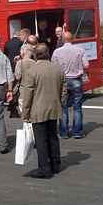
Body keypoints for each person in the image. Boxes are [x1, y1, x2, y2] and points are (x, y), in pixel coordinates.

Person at [21, 43, 66, 178]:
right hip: (54, 107)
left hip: (38, 109)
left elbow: (28, 94)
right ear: (48, 53)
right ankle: (55, 165)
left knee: (41, 140)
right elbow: (63, 90)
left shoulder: (32, 70)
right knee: (53, 137)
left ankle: (44, 169)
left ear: (36, 55)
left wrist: (25, 112)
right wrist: (59, 102)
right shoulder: (58, 69)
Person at [52, 32, 89, 139]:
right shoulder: (80, 50)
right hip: (76, 79)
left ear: (62, 39)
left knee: (63, 107)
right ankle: (77, 132)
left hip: (63, 80)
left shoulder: (57, 52)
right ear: (72, 39)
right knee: (77, 107)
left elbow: (53, 66)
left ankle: (63, 132)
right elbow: (86, 64)